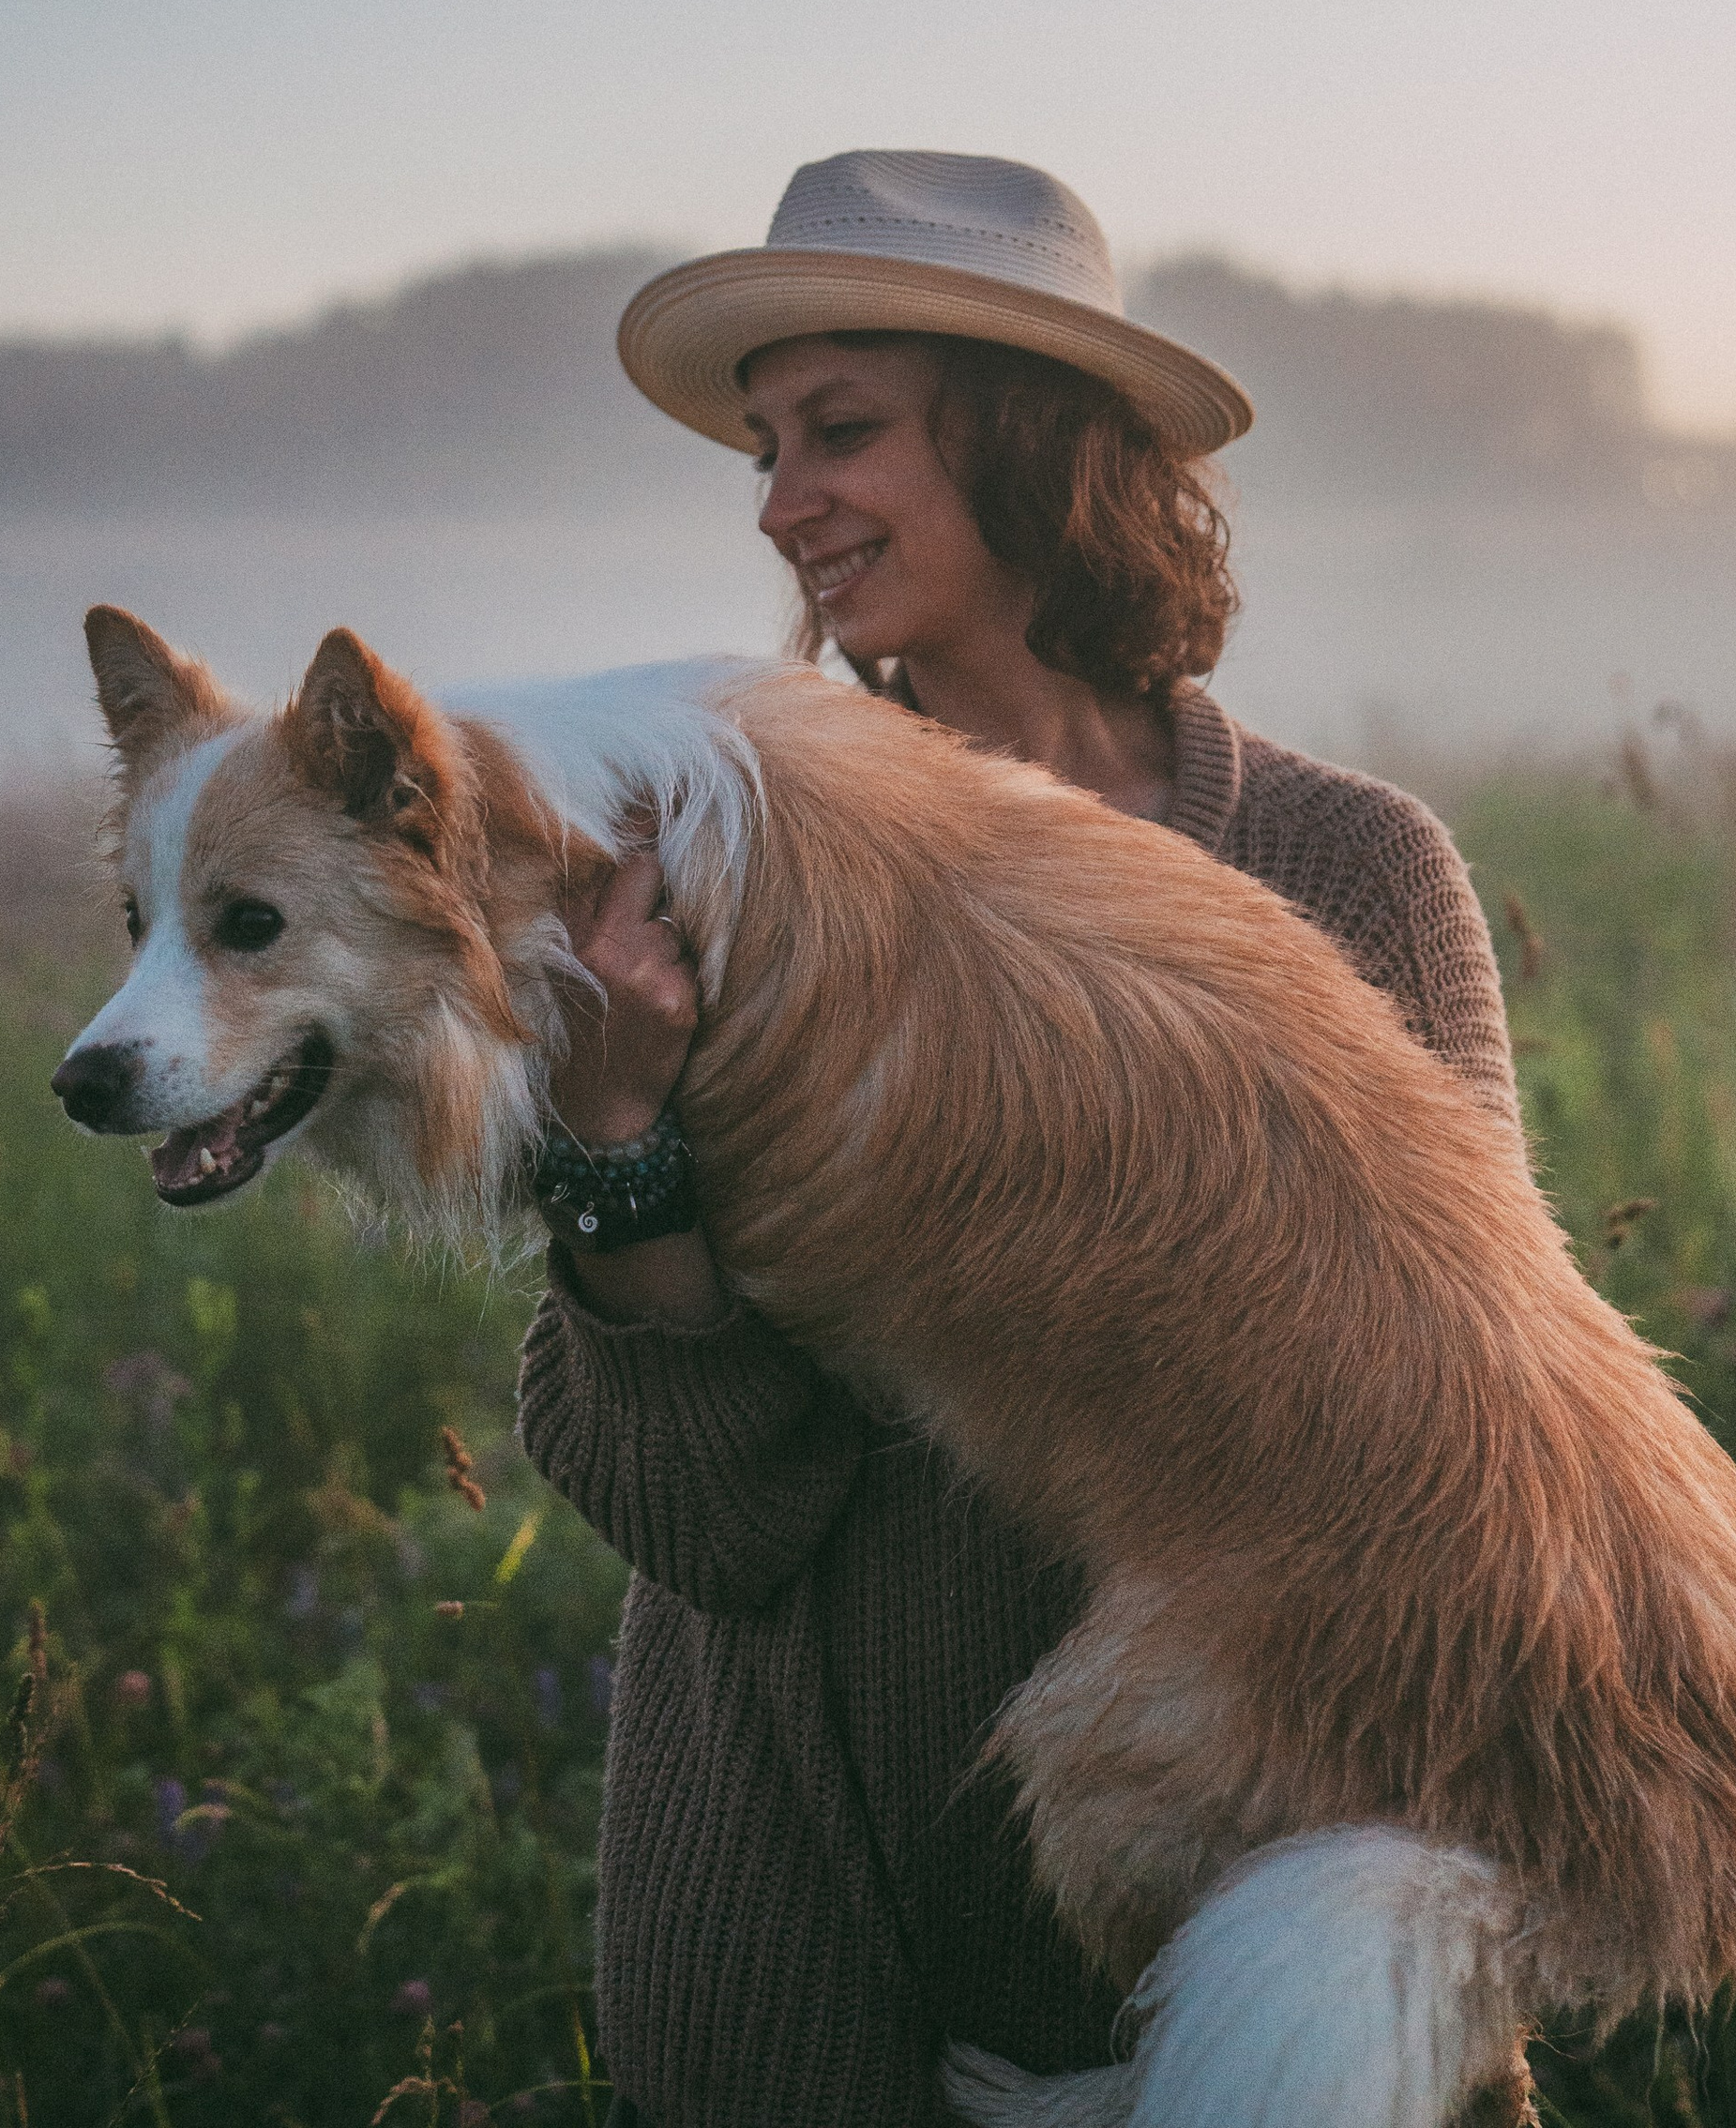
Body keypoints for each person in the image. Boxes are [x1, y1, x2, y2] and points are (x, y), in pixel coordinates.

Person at [516, 152, 1523, 2128]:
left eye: (842, 430)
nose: (778, 499)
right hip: (815, 1942)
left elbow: (1459, 1462)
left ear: (1034, 443)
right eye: (762, 443)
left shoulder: (1345, 868)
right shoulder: (699, 881)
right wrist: (613, 1124)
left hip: (1271, 1952)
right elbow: (704, 1525)